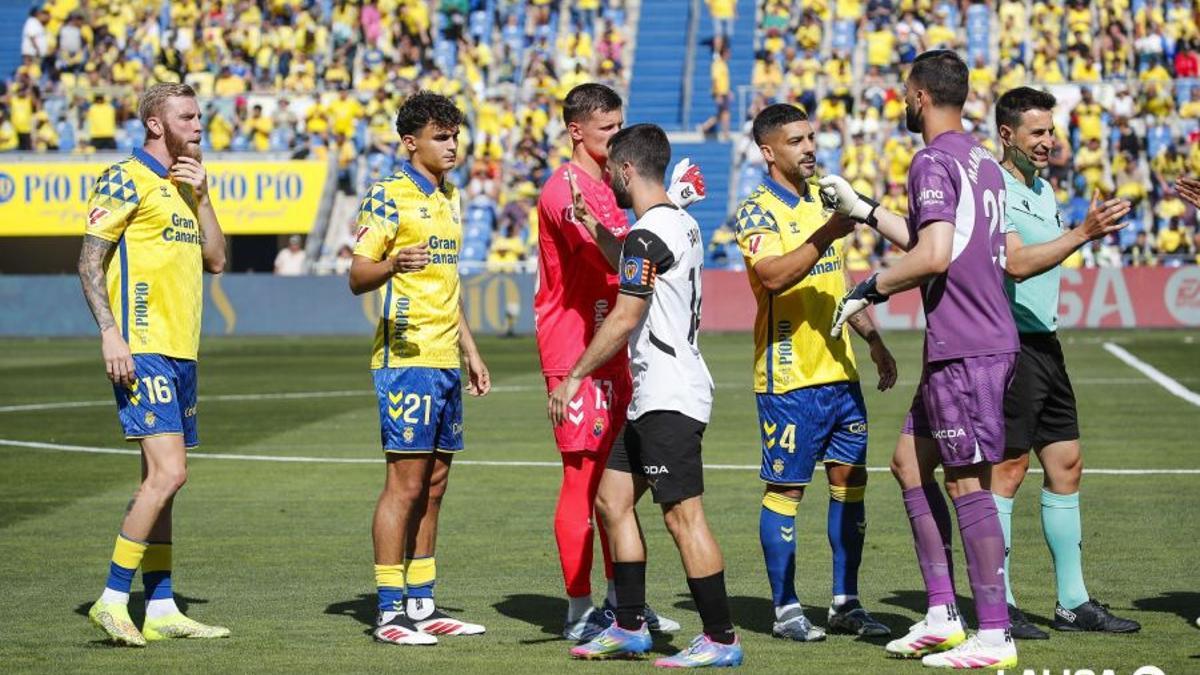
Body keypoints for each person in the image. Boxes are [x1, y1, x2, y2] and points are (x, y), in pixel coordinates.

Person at [820, 50, 1019, 669]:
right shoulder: (981, 160)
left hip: (968, 344)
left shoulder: (932, 159)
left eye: (906, 94)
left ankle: (993, 636)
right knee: (909, 462)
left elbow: (933, 255)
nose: (903, 103)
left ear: (921, 96)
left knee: (965, 481)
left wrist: (868, 288)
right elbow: (943, 242)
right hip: (965, 343)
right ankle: (941, 615)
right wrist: (865, 211)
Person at [548, 123, 742, 668]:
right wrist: (596, 229)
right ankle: (629, 625)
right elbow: (636, 263)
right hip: (656, 394)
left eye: (612, 169)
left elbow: (628, 312)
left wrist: (575, 375)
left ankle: (721, 637)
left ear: (627, 171)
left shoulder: (648, 234)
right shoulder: (675, 223)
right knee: (612, 502)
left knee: (683, 516)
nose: (607, 177)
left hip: (667, 394)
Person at [535, 83, 703, 640]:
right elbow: (619, 261)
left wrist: (669, 203)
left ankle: (621, 603)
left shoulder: (613, 184)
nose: (615, 137)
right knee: (582, 481)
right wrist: (667, 205)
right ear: (577, 131)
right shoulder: (563, 191)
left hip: (618, 348)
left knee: (619, 490)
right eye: (606, 129)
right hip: (576, 345)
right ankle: (579, 608)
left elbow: (636, 251)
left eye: (619, 127)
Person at [732, 103, 897, 642]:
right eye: (796, 140)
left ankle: (846, 603)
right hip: (789, 378)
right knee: (787, 492)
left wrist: (872, 338)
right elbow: (774, 276)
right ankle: (785, 610)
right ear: (768, 151)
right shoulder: (757, 210)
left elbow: (839, 280)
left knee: (850, 485)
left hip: (840, 375)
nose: (809, 148)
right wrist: (830, 230)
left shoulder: (824, 198)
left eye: (811, 137)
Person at [78, 83, 229, 647]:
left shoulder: (187, 186)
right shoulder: (126, 176)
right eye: (187, 117)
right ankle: (113, 598)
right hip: (140, 346)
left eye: (199, 115)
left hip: (181, 349)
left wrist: (205, 197)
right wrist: (110, 334)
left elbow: (216, 260)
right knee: (170, 474)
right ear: (155, 125)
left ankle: (161, 605)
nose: (198, 124)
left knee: (160, 482)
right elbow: (89, 262)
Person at [987, 86, 1140, 639]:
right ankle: (997, 602)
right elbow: (1016, 265)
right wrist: (1083, 232)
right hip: (1011, 346)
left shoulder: (1044, 189)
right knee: (1007, 471)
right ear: (1007, 135)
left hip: (1046, 345)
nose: (1049, 141)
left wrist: (1077, 229)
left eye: (1050, 131)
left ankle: (1072, 603)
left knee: (1067, 464)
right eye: (1037, 132)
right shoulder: (995, 186)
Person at [349, 92, 491, 646]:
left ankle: (422, 603)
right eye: (441, 136)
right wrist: (391, 264)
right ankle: (388, 613)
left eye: (455, 135)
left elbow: (447, 288)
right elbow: (357, 275)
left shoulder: (449, 197)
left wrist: (471, 351)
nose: (452, 144)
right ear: (411, 143)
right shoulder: (387, 197)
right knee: (404, 485)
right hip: (405, 361)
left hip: (443, 358)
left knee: (434, 485)